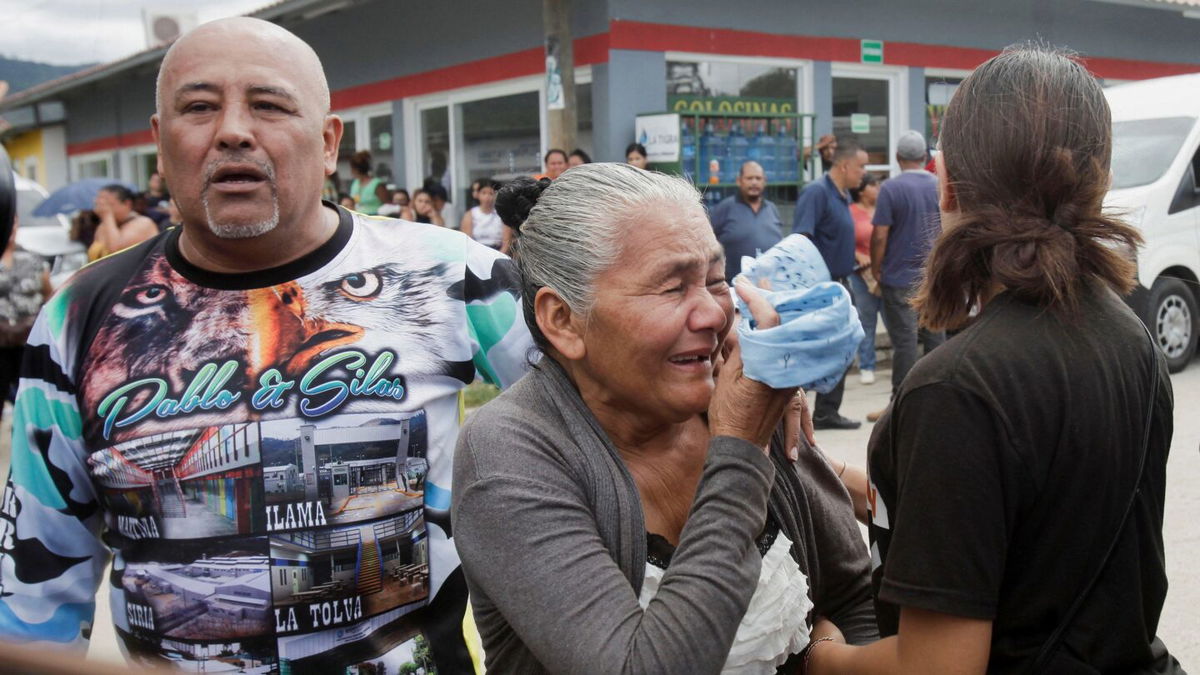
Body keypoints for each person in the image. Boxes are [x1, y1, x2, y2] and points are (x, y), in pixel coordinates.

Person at [0, 17, 533, 674]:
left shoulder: (455, 276)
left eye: (269, 105)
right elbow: (35, 590)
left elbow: (606, 434)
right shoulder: (78, 315)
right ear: (159, 145)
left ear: (329, 140)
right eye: (198, 108)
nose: (232, 130)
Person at [806, 45, 1182, 674]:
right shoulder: (1130, 334)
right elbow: (1014, 509)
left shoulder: (956, 388)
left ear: (944, 179)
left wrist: (824, 656)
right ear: (1102, 182)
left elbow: (936, 667)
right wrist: (811, 464)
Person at [453, 165, 876, 673]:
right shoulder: (508, 453)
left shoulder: (742, 394)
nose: (715, 314)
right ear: (562, 320)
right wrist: (739, 454)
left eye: (716, 280)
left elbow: (854, 595)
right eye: (672, 288)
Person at [866, 130, 945, 421]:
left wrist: (877, 267)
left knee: (905, 342)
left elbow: (880, 235)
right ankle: (939, 399)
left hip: (899, 279)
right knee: (936, 337)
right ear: (924, 157)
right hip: (933, 277)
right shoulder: (938, 185)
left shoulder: (890, 189)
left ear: (898, 159)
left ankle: (899, 404)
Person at [792, 141, 868, 430]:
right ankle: (794, 409)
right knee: (815, 351)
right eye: (861, 167)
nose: (864, 173)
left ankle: (826, 412)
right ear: (845, 165)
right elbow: (802, 238)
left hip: (841, 283)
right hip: (821, 289)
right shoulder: (817, 192)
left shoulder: (843, 195)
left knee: (844, 348)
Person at [0, 216, 52, 420]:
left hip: (27, 339)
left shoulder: (33, 259)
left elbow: (48, 294)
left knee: (33, 399)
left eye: (13, 223)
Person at [708, 160, 782, 282]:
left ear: (764, 181)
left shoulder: (772, 209)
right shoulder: (726, 208)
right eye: (749, 178)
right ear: (739, 181)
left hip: (768, 286)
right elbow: (708, 244)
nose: (754, 182)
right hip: (733, 286)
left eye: (758, 178)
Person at [849, 173, 881, 385]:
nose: (878, 188)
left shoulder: (884, 209)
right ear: (861, 190)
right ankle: (867, 366)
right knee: (866, 321)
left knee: (896, 322)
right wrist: (856, 253)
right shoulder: (850, 212)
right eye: (873, 185)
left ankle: (904, 365)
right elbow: (843, 239)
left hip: (885, 273)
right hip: (862, 274)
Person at [87, 183, 160, 260]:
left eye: (108, 204)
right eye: (99, 204)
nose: (103, 208)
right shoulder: (104, 226)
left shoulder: (143, 223)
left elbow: (115, 251)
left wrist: (107, 216)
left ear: (127, 204)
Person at [460, 179, 504, 251]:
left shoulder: (501, 214)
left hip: (497, 251)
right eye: (484, 193)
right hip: (477, 251)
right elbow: (466, 240)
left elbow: (507, 242)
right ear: (478, 194)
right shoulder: (470, 214)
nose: (487, 197)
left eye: (491, 193)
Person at [348, 149, 388, 215]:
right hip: (359, 220)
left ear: (357, 169)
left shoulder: (377, 184)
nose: (351, 171)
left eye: (352, 168)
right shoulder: (355, 183)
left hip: (375, 220)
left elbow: (388, 206)